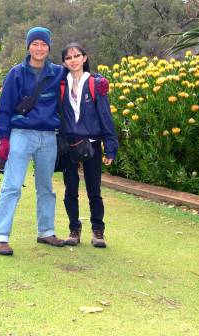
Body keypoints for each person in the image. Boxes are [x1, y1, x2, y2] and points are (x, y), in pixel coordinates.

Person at [0, 26, 66, 256]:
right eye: (35, 44)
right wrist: (4, 139)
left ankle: (46, 231)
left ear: (49, 47)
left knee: (46, 187)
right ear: (28, 46)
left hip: (48, 136)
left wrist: (99, 81)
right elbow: (3, 108)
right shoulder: (16, 73)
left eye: (43, 44)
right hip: (21, 134)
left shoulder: (57, 73)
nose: (39, 48)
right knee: (12, 186)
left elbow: (79, 74)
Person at [58, 42, 118, 248]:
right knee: (70, 190)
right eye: (68, 57)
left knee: (94, 190)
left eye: (77, 56)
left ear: (85, 58)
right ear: (64, 62)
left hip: (91, 143)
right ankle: (74, 229)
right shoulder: (60, 84)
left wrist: (111, 147)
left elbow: (105, 116)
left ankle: (98, 231)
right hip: (68, 145)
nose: (73, 60)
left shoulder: (95, 83)